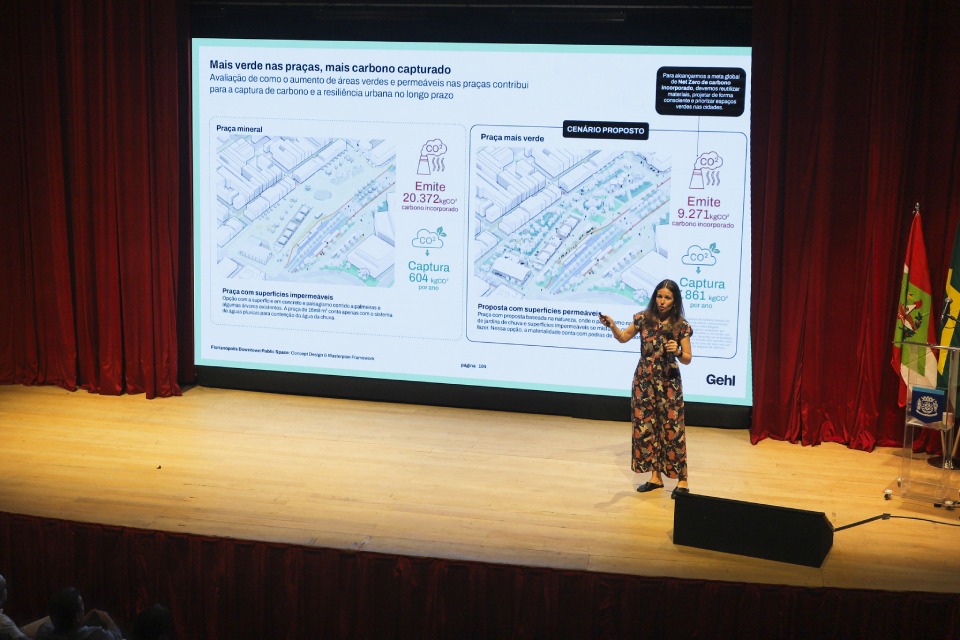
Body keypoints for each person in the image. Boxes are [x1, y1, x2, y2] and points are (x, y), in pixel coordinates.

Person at [599, 278, 693, 498]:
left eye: (667, 298)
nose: (662, 301)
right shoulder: (643, 318)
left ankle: (683, 480)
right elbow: (623, 338)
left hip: (669, 381)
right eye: (659, 296)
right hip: (644, 381)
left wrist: (678, 351)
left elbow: (688, 358)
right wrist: (612, 325)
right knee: (646, 428)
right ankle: (655, 477)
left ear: (675, 301)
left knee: (672, 430)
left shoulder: (681, 325)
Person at [34, 588, 122, 640]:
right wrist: (109, 620)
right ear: (77, 616)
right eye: (82, 608)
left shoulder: (43, 632)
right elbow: (118, 637)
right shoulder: (95, 635)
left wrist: (80, 621)